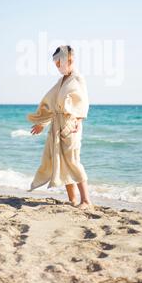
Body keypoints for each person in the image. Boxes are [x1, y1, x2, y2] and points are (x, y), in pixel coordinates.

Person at [26, 45, 93, 210]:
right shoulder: (61, 81)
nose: (57, 67)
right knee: (61, 162)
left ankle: (86, 201)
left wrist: (78, 119)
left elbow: (83, 102)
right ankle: (72, 200)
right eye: (55, 64)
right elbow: (53, 105)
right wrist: (42, 123)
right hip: (57, 125)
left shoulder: (77, 79)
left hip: (72, 126)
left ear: (68, 60)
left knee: (73, 160)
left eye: (59, 63)